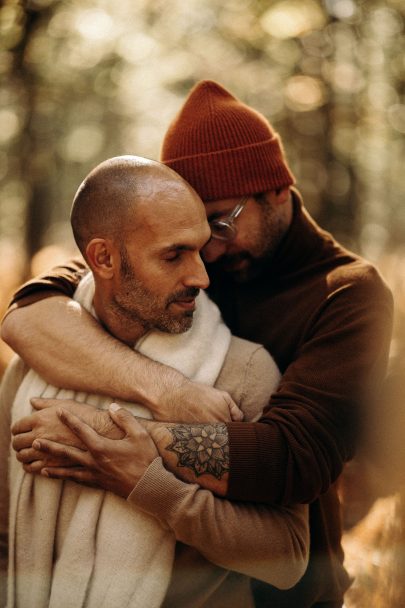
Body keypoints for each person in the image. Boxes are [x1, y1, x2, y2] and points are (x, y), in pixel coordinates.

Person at [1, 81, 393, 607]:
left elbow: (294, 456)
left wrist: (102, 436)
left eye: (220, 221)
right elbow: (31, 315)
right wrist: (165, 390)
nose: (206, 258)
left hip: (291, 595)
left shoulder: (347, 293)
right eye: (187, 234)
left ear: (276, 188)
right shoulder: (195, 254)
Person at [0, 155, 309, 608]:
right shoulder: (34, 366)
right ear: (102, 258)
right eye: (173, 255)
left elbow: (289, 558)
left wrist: (151, 485)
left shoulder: (242, 371)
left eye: (201, 249)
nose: (202, 277)